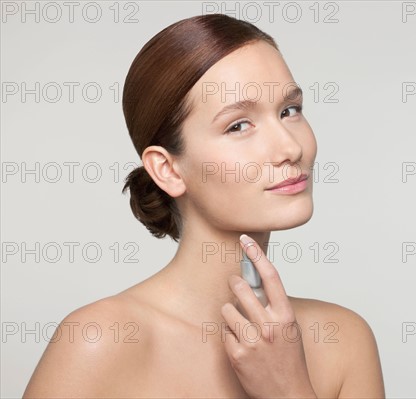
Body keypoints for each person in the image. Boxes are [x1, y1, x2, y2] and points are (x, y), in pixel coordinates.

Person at [23, 14, 385, 398]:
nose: (290, 148)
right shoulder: (100, 341)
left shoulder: (344, 340)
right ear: (168, 169)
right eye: (238, 125)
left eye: (289, 111)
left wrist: (288, 386)